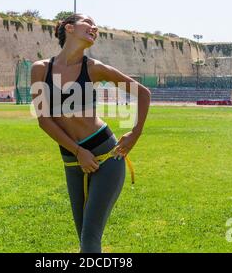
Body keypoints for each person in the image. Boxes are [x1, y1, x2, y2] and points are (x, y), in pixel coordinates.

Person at [30, 14, 151, 253]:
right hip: (72, 161)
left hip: (107, 157)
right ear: (69, 28)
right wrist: (78, 152)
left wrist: (134, 134)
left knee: (89, 241)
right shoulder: (40, 70)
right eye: (89, 23)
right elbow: (44, 120)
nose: (94, 28)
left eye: (96, 26)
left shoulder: (94, 69)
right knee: (84, 238)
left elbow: (143, 93)